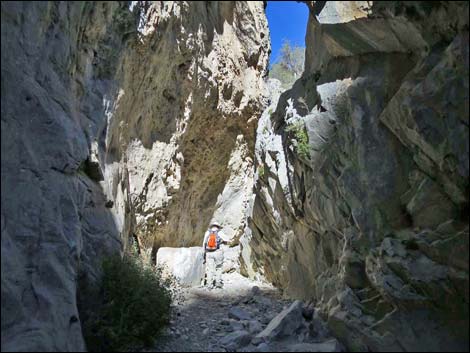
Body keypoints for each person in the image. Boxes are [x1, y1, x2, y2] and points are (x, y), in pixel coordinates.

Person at [202, 221, 228, 289]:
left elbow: (204, 243)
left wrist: (204, 252)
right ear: (218, 227)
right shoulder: (220, 232)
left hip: (208, 253)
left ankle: (209, 285)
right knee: (218, 267)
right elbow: (227, 239)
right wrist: (222, 241)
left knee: (210, 269)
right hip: (217, 252)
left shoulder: (207, 232)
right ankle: (218, 283)